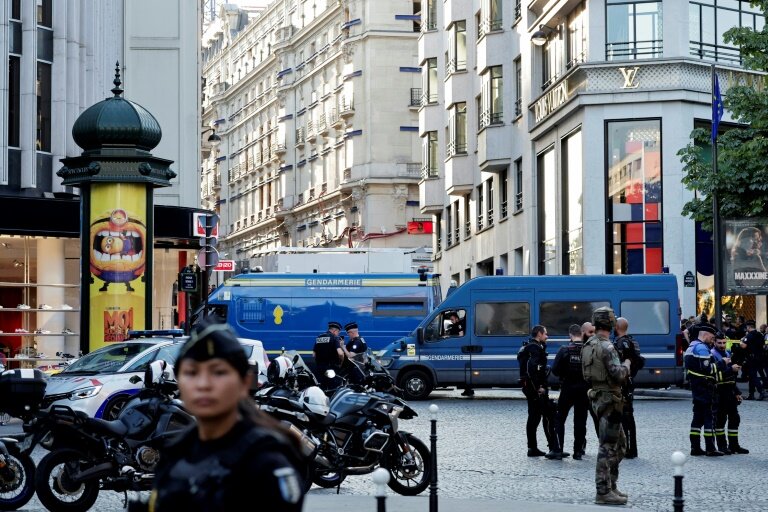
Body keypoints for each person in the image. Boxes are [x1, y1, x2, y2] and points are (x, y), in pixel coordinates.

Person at [142, 319, 306, 511]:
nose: (203, 384)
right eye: (191, 372)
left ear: (244, 382)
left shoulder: (266, 462)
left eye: (218, 372)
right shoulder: (177, 451)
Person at [581, 306, 631, 506]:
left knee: (620, 445)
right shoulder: (607, 347)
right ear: (611, 324)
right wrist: (627, 364)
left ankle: (611, 486)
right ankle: (603, 491)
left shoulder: (588, 345)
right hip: (610, 399)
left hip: (597, 397)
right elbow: (618, 375)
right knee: (608, 447)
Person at [518, 325, 563, 460]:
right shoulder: (535, 348)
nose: (547, 336)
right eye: (545, 334)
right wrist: (539, 387)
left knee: (534, 417)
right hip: (535, 389)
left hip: (530, 387)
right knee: (548, 416)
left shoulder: (530, 347)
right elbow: (533, 370)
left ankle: (533, 447)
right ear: (539, 334)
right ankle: (554, 448)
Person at [684, 324, 726, 457]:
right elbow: (707, 369)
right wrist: (722, 363)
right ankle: (710, 448)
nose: (712, 341)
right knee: (709, 417)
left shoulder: (691, 346)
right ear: (705, 335)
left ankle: (695, 447)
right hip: (705, 387)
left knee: (697, 418)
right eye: (712, 338)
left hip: (697, 387)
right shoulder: (701, 348)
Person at [552, 324, 590, 460]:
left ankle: (558, 449)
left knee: (560, 418)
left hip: (568, 388)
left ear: (570, 335)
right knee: (580, 420)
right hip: (584, 389)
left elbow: (555, 370)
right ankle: (578, 451)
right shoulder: (588, 350)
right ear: (582, 334)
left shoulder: (565, 350)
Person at [613, 317, 645, 459]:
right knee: (628, 416)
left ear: (617, 327)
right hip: (629, 381)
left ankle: (628, 449)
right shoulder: (633, 341)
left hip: (623, 383)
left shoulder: (622, 343)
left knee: (625, 416)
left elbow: (621, 364)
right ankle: (631, 448)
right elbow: (639, 361)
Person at [711, 332, 748, 454]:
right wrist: (730, 369)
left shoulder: (726, 353)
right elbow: (715, 375)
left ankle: (734, 445)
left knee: (734, 418)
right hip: (719, 391)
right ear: (714, 342)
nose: (722, 345)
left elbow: (732, 376)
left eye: (724, 343)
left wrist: (737, 391)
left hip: (730, 390)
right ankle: (722, 446)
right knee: (720, 419)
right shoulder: (712, 355)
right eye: (719, 343)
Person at [313, 321, 345, 390]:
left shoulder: (319, 337)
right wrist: (341, 363)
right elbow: (340, 353)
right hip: (331, 368)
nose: (338, 334)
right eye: (338, 332)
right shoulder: (334, 338)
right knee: (333, 388)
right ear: (334, 330)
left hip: (320, 368)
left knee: (322, 386)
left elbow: (314, 355)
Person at [740, 320, 767, 400]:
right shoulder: (760, 334)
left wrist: (741, 341)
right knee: (752, 376)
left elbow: (744, 346)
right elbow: (763, 346)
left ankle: (761, 391)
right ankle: (751, 394)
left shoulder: (749, 336)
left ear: (748, 327)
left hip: (751, 358)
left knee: (752, 376)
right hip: (759, 357)